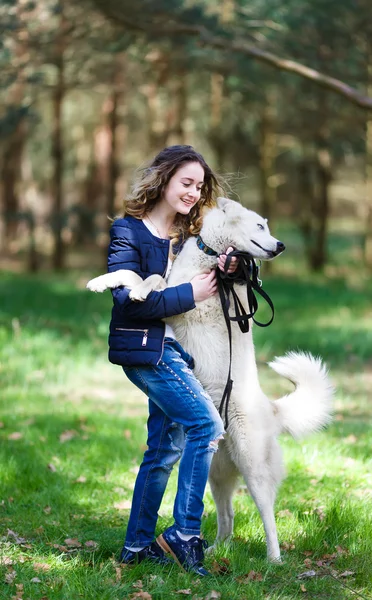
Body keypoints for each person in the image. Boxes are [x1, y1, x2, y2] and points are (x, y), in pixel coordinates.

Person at [107, 145, 238, 576]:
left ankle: (137, 545)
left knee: (163, 450)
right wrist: (189, 294)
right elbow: (128, 302)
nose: (193, 192)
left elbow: (217, 273)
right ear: (163, 179)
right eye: (186, 182)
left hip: (177, 350)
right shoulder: (128, 232)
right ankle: (185, 532)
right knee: (207, 425)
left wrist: (229, 268)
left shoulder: (188, 238)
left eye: (199, 186)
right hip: (147, 352)